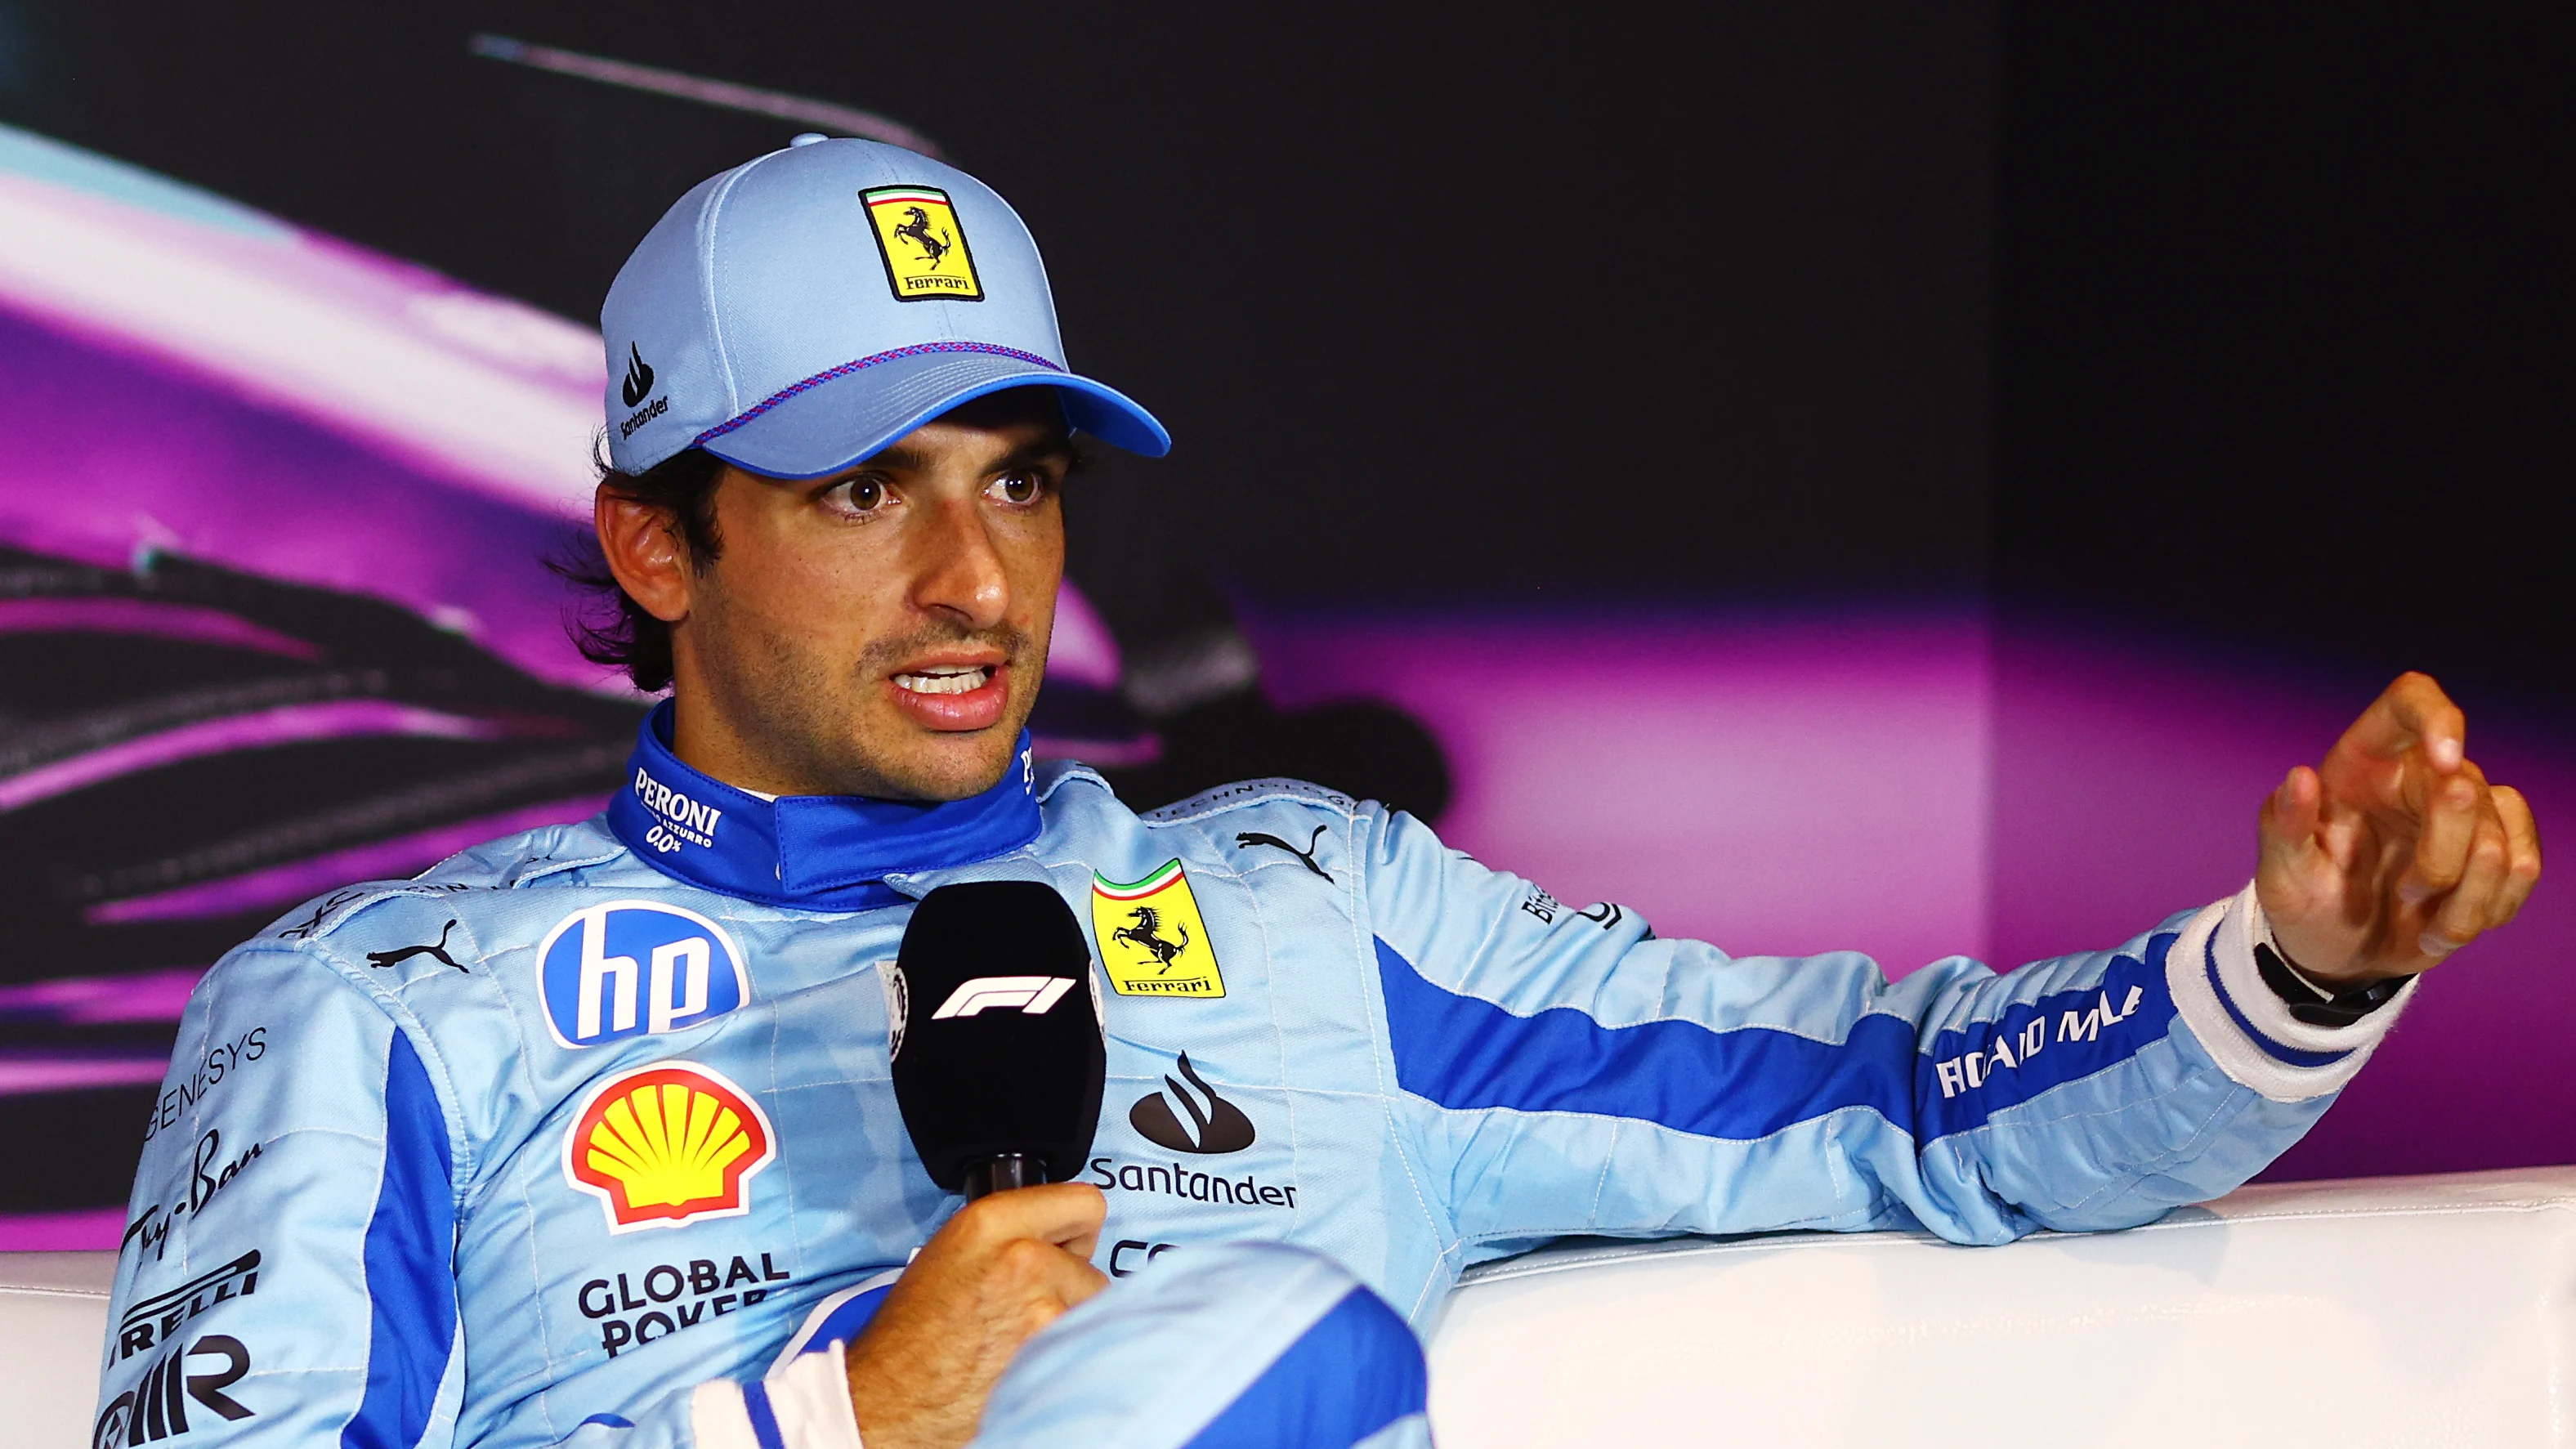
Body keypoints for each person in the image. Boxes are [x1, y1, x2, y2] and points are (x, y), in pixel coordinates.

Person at [92, 138, 2539, 1449]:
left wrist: (2300, 960)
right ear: (656, 534)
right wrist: (840, 1422)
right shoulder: (377, 1006)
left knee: (1259, 1343)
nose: (977, 577)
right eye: (864, 492)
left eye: (1025, 479)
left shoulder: (1309, 916)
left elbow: (1903, 1098)